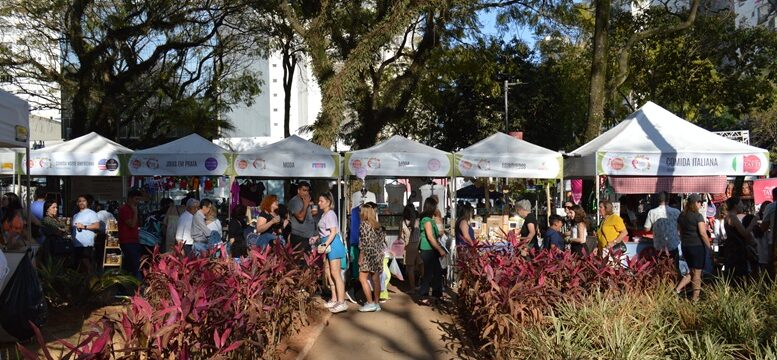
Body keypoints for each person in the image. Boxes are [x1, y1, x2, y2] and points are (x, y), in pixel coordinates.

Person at [316, 192, 347, 314]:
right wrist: (317, 239)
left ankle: (341, 301)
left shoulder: (330, 214)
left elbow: (333, 232)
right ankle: (334, 299)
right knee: (329, 273)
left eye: (321, 201)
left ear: (328, 202)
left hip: (333, 246)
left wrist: (324, 244)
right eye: (319, 201)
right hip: (329, 245)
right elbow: (325, 232)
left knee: (336, 274)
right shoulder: (325, 214)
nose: (319, 203)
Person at [677, 194, 712, 301]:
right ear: (696, 203)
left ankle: (677, 290)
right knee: (697, 273)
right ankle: (695, 298)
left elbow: (680, 232)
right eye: (700, 202)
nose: (701, 205)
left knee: (691, 271)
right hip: (697, 246)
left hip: (686, 246)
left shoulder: (682, 216)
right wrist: (709, 247)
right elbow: (702, 233)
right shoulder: (698, 216)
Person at [418, 197, 446, 305]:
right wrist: (439, 249)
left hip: (431, 250)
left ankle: (436, 294)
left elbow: (435, 234)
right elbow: (430, 237)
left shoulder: (429, 219)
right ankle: (423, 295)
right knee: (429, 274)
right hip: (428, 250)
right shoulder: (426, 220)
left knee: (437, 272)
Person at [644, 192, 681, 270]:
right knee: (674, 269)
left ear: (658, 200)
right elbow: (681, 227)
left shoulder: (652, 212)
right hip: (673, 244)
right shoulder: (676, 212)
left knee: (660, 269)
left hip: (659, 246)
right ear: (668, 200)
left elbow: (647, 228)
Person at [357, 203, 384, 312]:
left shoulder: (364, 224)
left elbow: (364, 242)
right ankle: (377, 303)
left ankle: (370, 302)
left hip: (368, 254)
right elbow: (381, 241)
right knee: (376, 279)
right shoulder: (378, 226)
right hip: (377, 254)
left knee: (362, 278)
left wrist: (361, 257)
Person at [723, 197, 757, 281]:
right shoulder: (733, 216)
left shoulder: (727, 216)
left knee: (732, 274)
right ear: (735, 205)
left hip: (730, 248)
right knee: (739, 274)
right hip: (737, 249)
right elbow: (744, 233)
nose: (742, 206)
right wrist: (753, 222)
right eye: (741, 203)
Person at [119, 190, 143, 278]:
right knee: (135, 265)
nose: (138, 202)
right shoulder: (124, 209)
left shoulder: (130, 209)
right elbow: (132, 224)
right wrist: (136, 212)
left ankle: (127, 286)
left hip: (133, 240)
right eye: (136, 199)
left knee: (130, 265)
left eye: (139, 199)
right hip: (127, 241)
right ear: (130, 198)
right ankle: (138, 286)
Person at [72, 194, 100, 273]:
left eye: (83, 201)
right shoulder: (75, 215)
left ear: (87, 202)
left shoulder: (91, 213)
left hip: (86, 244)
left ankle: (93, 280)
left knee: (86, 262)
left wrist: (84, 226)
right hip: (76, 244)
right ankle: (84, 283)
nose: (81, 203)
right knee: (80, 265)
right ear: (77, 203)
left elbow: (97, 226)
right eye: (79, 201)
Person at [288, 181, 319, 252]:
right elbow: (301, 218)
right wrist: (305, 204)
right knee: (301, 261)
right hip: (299, 237)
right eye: (304, 190)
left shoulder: (306, 200)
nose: (306, 193)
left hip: (309, 236)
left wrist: (313, 209)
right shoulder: (294, 201)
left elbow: (312, 215)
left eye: (308, 190)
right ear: (298, 190)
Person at [402, 203, 422, 294]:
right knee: (421, 265)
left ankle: (413, 288)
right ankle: (422, 284)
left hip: (409, 246)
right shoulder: (418, 221)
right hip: (419, 245)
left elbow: (401, 236)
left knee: (410, 268)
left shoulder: (403, 222)